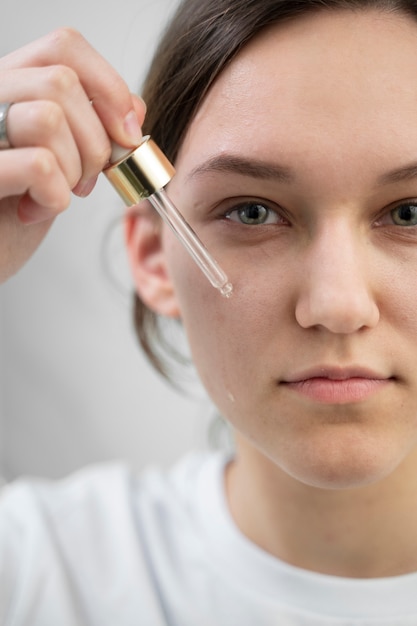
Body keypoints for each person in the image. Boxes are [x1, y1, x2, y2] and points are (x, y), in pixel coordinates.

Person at [2, 0, 417, 623]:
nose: (337, 305)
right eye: (253, 211)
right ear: (152, 255)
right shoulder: (38, 570)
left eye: (410, 214)